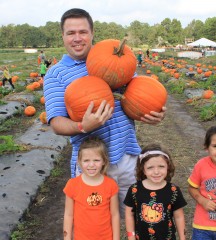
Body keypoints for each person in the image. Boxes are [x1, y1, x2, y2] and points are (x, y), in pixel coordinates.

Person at [43, 8, 166, 218]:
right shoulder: (56, 74)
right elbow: (56, 122)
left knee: (138, 220)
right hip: (93, 164)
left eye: (82, 32)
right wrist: (82, 126)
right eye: (71, 33)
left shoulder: (113, 59)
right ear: (62, 36)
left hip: (128, 157)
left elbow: (140, 95)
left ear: (92, 33)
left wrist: (152, 114)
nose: (77, 38)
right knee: (96, 227)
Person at [124, 143, 187, 240]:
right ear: (143, 169)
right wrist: (131, 236)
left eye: (161, 166)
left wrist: (183, 238)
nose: (156, 172)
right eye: (150, 167)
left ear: (168, 167)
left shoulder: (173, 190)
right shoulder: (134, 190)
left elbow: (179, 217)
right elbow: (129, 214)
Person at [63, 136, 120, 240]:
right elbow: (68, 215)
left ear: (104, 161)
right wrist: (67, 238)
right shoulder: (72, 185)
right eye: (86, 160)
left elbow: (115, 215)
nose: (91, 165)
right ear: (79, 161)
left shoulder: (111, 185)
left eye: (96, 160)